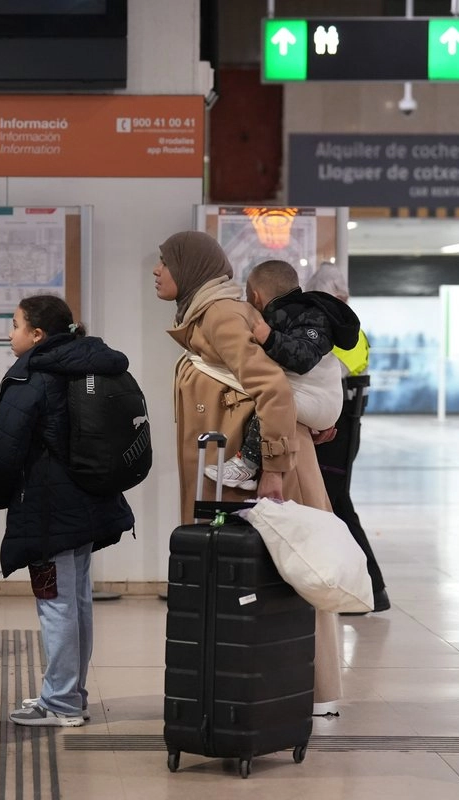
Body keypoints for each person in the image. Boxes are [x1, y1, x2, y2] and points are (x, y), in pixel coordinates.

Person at [154, 230, 342, 708]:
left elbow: (274, 389)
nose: (156, 272)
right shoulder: (210, 313)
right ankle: (269, 687)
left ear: (190, 268)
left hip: (256, 472)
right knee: (268, 575)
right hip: (237, 465)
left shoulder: (219, 315)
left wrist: (274, 469)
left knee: (284, 574)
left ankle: (305, 693)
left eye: (165, 263)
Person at [0, 295, 134, 728]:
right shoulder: (92, 363)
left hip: (49, 513)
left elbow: (6, 450)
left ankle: (63, 702)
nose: (9, 333)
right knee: (76, 602)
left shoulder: (32, 376)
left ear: (37, 335)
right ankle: (70, 693)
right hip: (90, 504)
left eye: (15, 325)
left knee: (56, 605)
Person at [206, 259, 358, 491]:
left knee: (272, 400)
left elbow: (304, 358)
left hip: (321, 400)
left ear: (255, 296)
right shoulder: (294, 314)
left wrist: (269, 337)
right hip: (321, 401)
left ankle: (246, 464)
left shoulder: (309, 316)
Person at [307, 264, 390, 614]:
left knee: (337, 504)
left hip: (337, 431)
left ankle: (370, 588)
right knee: (335, 504)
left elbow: (323, 374)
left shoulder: (341, 331)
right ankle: (365, 588)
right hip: (343, 428)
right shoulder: (349, 329)